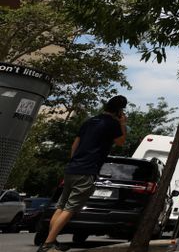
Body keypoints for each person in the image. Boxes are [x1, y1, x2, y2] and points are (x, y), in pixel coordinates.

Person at [37, 95, 128, 252]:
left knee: (61, 206)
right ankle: (48, 244)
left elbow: (75, 145)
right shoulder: (112, 124)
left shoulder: (90, 121)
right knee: (70, 209)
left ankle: (51, 240)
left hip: (72, 168)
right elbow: (121, 142)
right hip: (87, 171)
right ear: (120, 111)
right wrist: (122, 124)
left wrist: (73, 162)